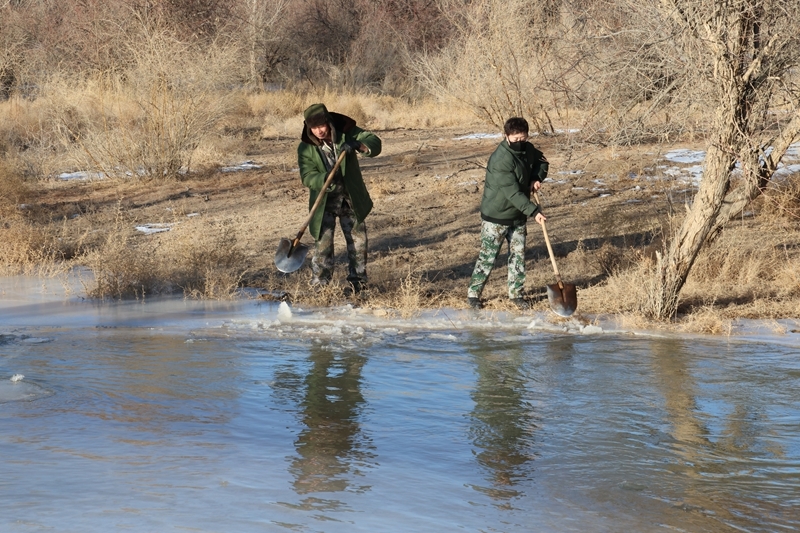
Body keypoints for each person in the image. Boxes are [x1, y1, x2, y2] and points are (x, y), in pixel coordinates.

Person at [297, 103, 381, 294]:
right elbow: (307, 176)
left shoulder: (346, 132)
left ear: (329, 122)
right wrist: (324, 179)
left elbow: (374, 141)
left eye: (322, 126)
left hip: (350, 200)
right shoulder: (306, 148)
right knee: (323, 246)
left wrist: (357, 144)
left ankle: (358, 285)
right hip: (324, 203)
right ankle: (320, 287)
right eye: (314, 127)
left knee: (359, 244)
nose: (319, 131)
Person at [467, 117, 549, 310]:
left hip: (518, 216)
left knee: (518, 255)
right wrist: (533, 212)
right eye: (516, 139)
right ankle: (473, 294)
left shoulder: (528, 149)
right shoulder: (500, 159)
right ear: (506, 136)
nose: (520, 143)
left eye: (523, 138)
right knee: (488, 256)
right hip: (497, 215)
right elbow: (512, 193)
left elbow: (542, 162)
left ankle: (516, 294)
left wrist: (537, 177)